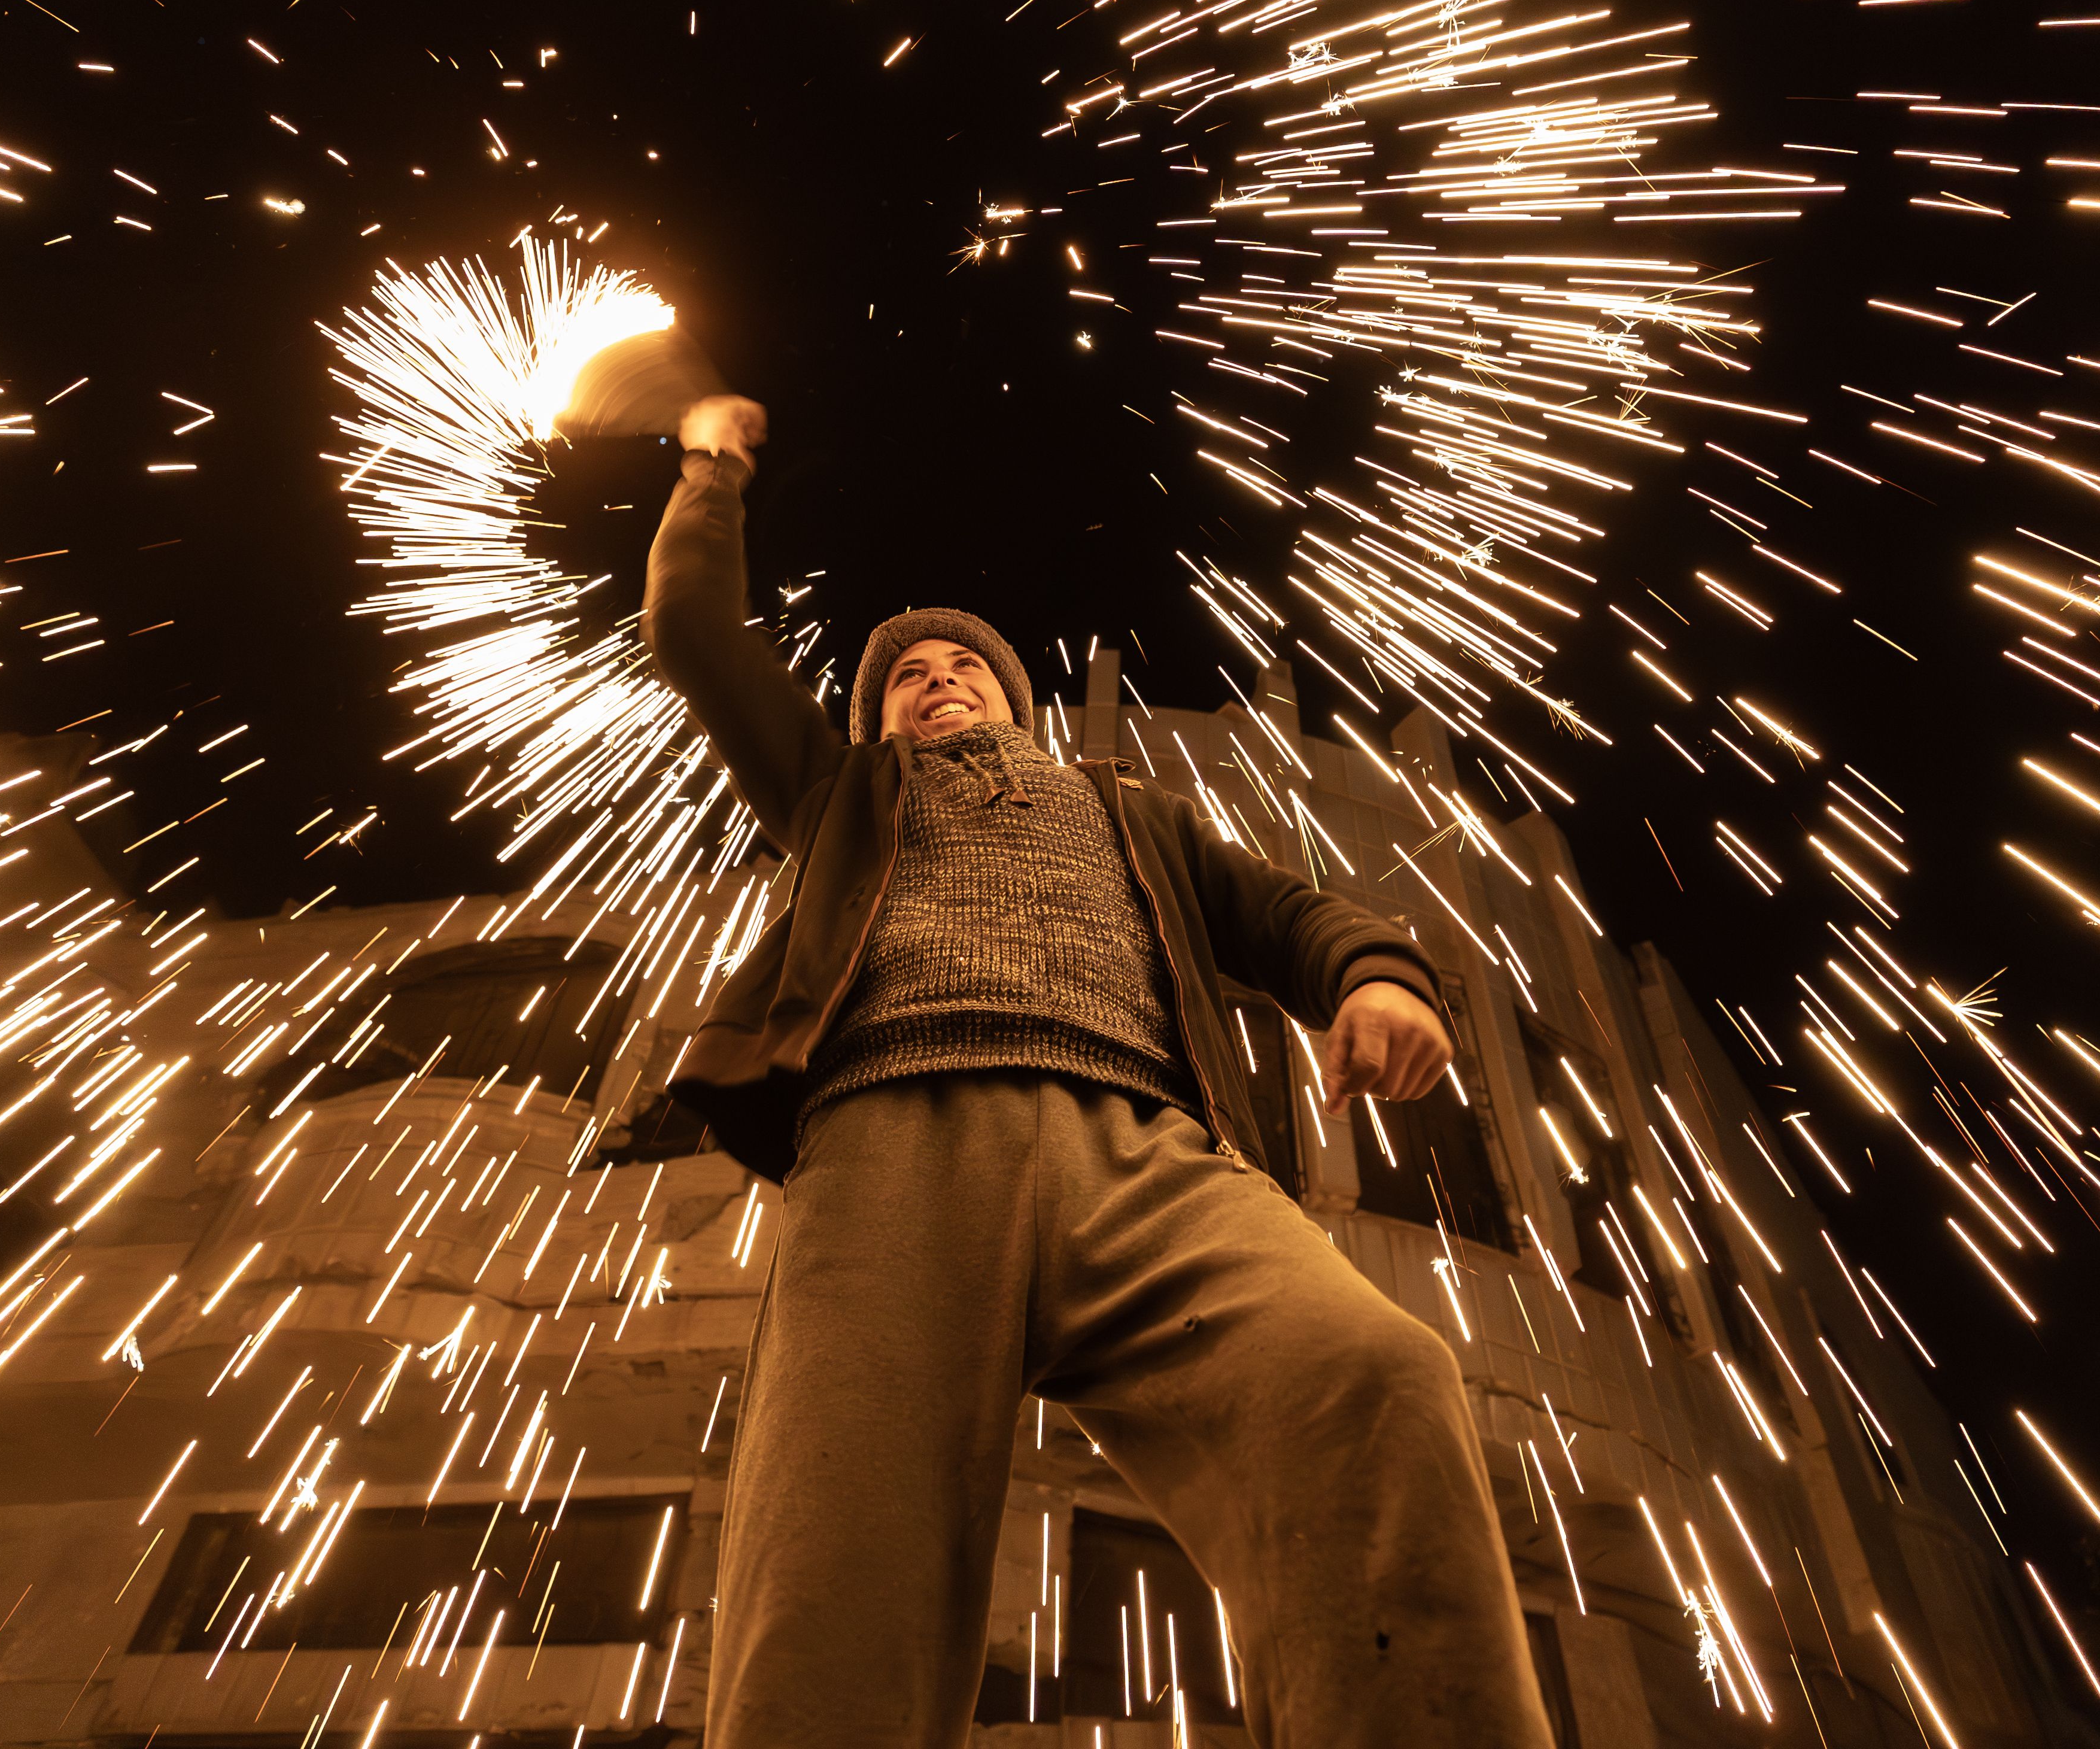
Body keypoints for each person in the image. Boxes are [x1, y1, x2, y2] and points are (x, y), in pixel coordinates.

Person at [643, 391, 1558, 1748]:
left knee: (1372, 1375)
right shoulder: (840, 795)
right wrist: (710, 466)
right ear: (878, 718)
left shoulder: (1129, 811)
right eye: (908, 674)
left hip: (1143, 1158)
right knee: (831, 1589)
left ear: (1020, 702)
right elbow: (695, 635)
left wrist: (1377, 975)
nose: (938, 677)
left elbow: (1294, 912)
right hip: (893, 1158)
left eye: (966, 667)